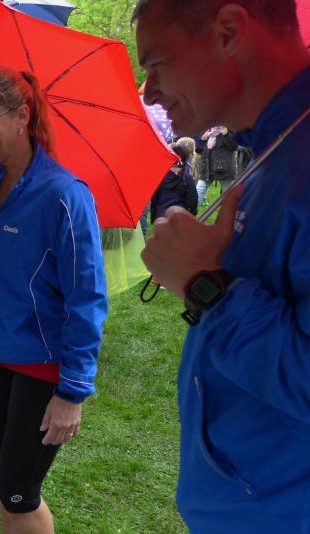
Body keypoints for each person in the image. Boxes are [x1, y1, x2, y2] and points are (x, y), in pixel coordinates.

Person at [134, 0, 310, 530]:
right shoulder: (275, 147)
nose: (149, 92)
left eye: (157, 64)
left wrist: (202, 283)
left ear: (229, 31)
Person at [0, 65, 108, 534]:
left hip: (42, 366)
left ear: (21, 117)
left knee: (19, 490)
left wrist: (72, 392)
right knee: (9, 484)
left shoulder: (64, 196)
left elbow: (87, 298)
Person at [150, 137, 198, 222]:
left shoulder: (160, 178)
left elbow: (155, 199)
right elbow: (192, 200)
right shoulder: (187, 178)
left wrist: (154, 217)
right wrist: (192, 213)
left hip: (162, 216)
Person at [203, 125, 239, 192]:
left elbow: (234, 147)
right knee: (199, 191)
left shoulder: (229, 129)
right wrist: (203, 137)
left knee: (227, 194)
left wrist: (226, 134)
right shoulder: (210, 130)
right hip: (208, 169)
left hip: (225, 170)